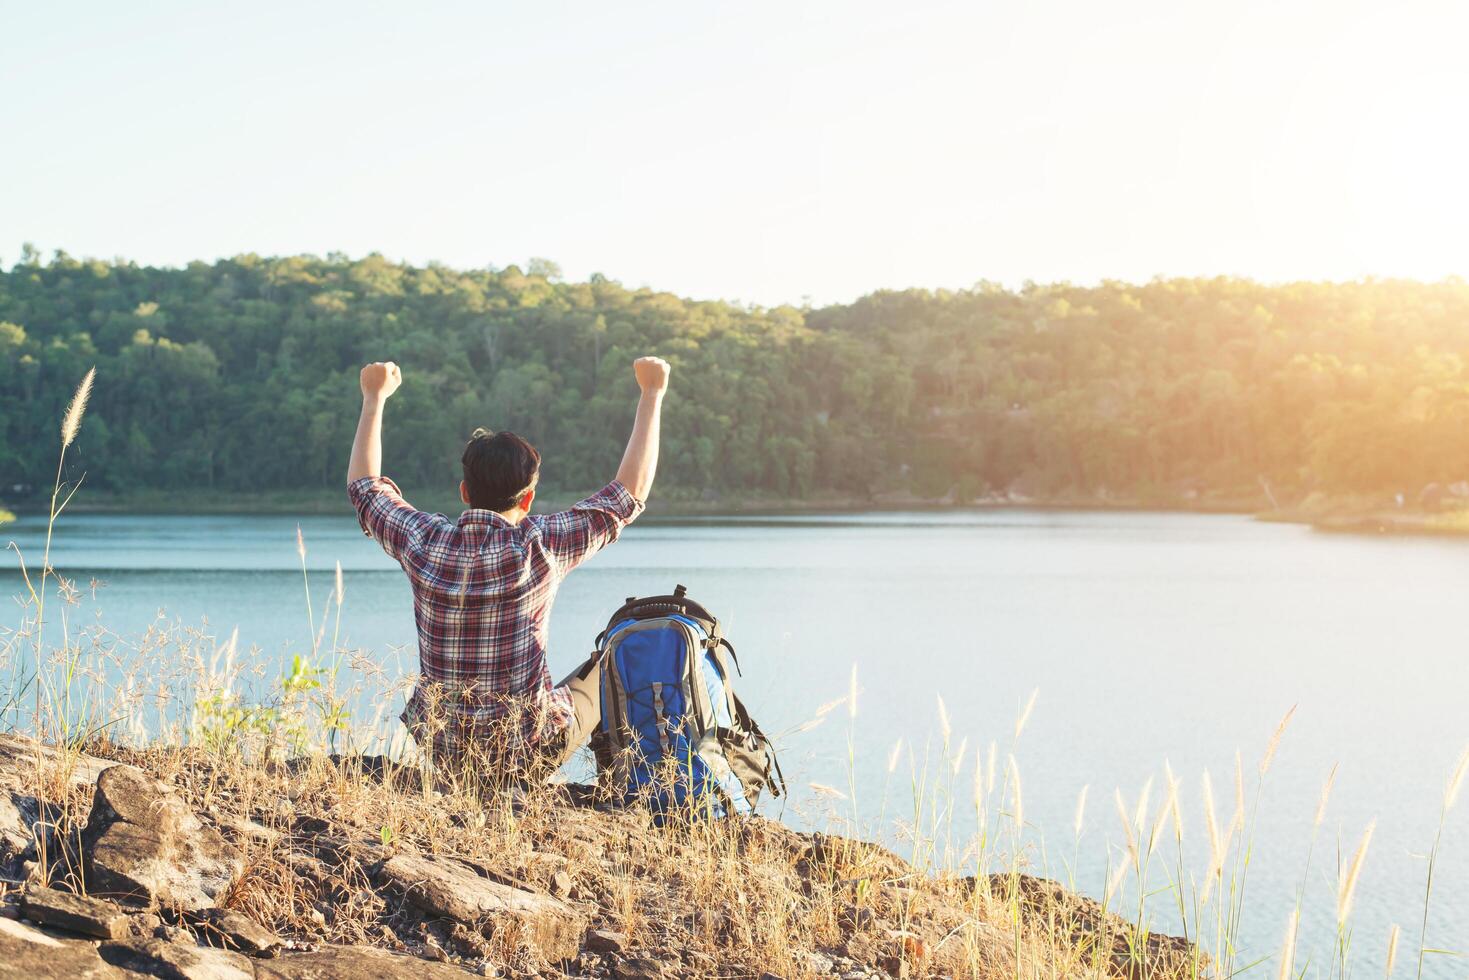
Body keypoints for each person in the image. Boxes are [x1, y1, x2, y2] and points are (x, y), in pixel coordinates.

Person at [345, 355, 670, 781]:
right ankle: (625, 785)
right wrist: (652, 394)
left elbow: (365, 489)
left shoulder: (424, 543)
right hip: (528, 753)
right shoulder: (542, 546)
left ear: (464, 492)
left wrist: (373, 398)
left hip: (445, 750)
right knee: (611, 662)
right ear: (528, 499)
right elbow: (628, 495)